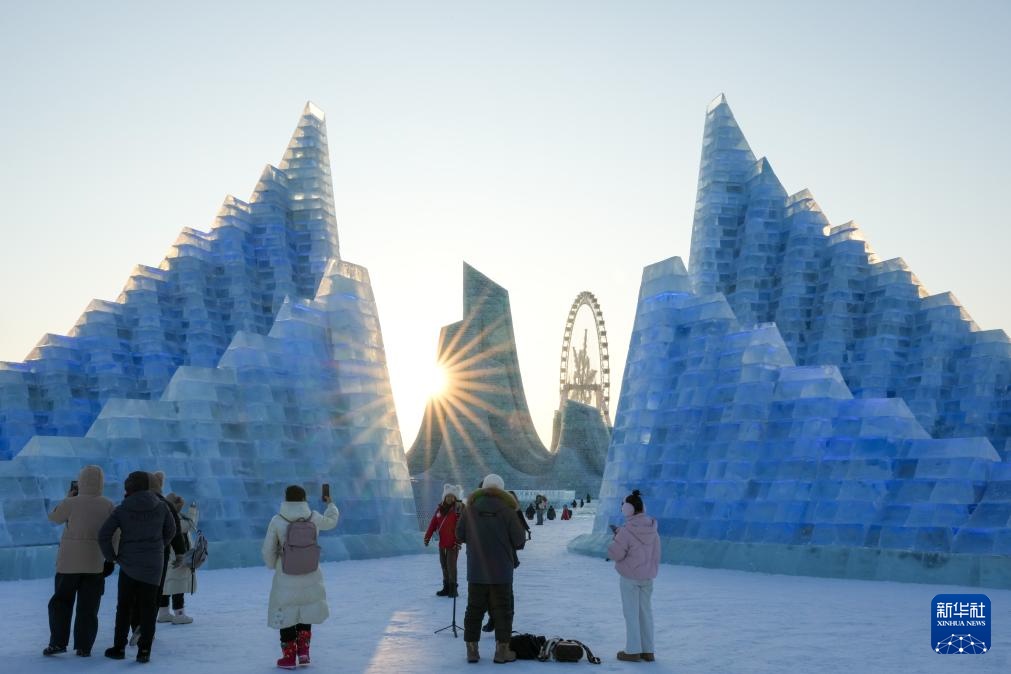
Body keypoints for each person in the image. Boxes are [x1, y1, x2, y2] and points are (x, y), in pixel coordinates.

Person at [98, 471, 177, 663]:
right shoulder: (161, 506)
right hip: (153, 565)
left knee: (124, 607)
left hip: (128, 565)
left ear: (129, 488)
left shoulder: (122, 509)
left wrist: (112, 557)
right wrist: (159, 546)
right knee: (149, 608)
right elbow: (171, 531)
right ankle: (144, 651)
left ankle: (119, 648)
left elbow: (104, 535)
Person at [262, 484, 339, 669]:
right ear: (304, 498)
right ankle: (304, 653)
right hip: (310, 571)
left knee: (286, 614)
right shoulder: (313, 517)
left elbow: (268, 549)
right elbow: (331, 522)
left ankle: (288, 658)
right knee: (306, 611)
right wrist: (331, 504)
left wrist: (274, 565)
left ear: (286, 498)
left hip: (286, 573)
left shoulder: (277, 520)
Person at [44, 465, 116, 657]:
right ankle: (84, 646)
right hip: (95, 564)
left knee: (61, 603)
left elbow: (54, 518)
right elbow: (115, 533)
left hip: (68, 564)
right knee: (89, 607)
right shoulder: (108, 504)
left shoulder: (72, 502)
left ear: (80, 481)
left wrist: (69, 498)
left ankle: (58, 643)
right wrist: (112, 558)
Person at [456, 474, 525, 664]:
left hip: (476, 570)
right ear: (502, 490)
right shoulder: (508, 510)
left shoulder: (469, 509)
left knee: (474, 610)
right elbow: (519, 541)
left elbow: (459, 535)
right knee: (503, 610)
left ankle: (472, 650)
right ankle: (502, 652)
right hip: (502, 571)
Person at [607, 489, 660, 663]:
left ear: (627, 509)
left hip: (629, 577)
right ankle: (648, 650)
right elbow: (656, 553)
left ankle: (633, 650)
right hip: (648, 577)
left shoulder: (627, 530)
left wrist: (616, 538)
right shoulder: (653, 528)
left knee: (631, 613)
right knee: (645, 612)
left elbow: (616, 554)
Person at [158, 493, 199, 624]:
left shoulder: (163, 516)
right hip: (177, 559)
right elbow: (189, 526)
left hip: (167, 558)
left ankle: (163, 613)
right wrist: (192, 512)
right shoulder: (174, 518)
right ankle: (179, 614)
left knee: (166, 586)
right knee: (178, 586)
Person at [424, 483, 464, 597]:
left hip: (453, 543)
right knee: (444, 565)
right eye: (448, 496)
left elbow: (463, 526)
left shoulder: (459, 508)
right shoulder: (440, 509)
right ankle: (446, 587)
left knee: (451, 566)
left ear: (455, 497)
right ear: (444, 497)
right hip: (442, 543)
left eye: (452, 496)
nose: (450, 498)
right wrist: (427, 536)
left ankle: (453, 588)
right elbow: (433, 523)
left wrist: (459, 541)